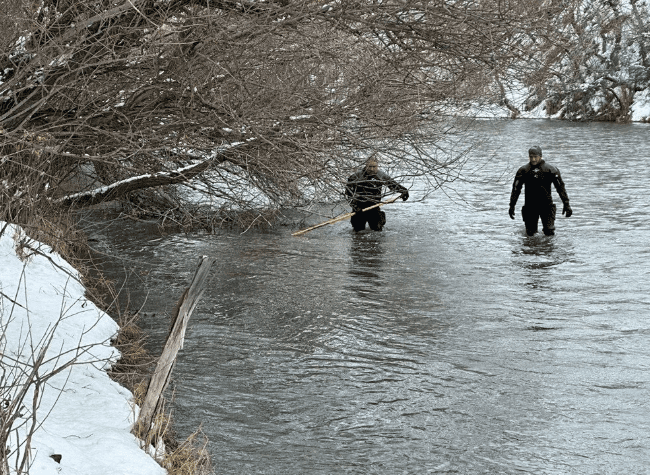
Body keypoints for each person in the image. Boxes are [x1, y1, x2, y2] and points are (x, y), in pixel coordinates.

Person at [509, 145, 572, 236]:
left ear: (540, 156)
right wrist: (512, 206)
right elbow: (516, 189)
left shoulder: (551, 170)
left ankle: (547, 249)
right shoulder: (523, 170)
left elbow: (560, 188)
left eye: (535, 157)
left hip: (546, 206)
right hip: (530, 207)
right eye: (531, 157)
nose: (533, 159)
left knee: (549, 232)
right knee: (530, 234)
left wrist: (566, 205)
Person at [345, 157, 409, 231]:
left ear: (377, 166)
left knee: (377, 232)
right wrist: (355, 206)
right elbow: (348, 193)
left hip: (374, 207)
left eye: (374, 167)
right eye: (370, 167)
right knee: (358, 233)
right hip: (359, 209)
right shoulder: (356, 176)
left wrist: (404, 191)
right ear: (366, 166)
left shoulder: (381, 175)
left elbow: (393, 185)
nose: (372, 169)